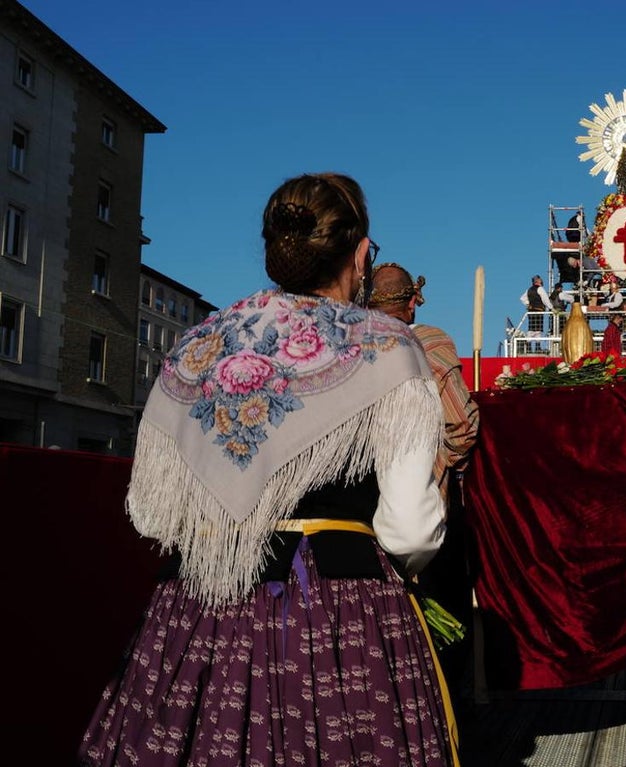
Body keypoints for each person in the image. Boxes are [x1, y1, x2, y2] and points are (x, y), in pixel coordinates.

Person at [78, 173, 459, 766]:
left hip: (201, 609)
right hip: (335, 618)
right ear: (361, 254)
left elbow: (152, 515)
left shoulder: (197, 345)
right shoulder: (387, 347)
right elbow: (410, 528)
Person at [369, 263, 480, 503]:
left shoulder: (349, 345)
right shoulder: (430, 343)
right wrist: (443, 464)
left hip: (354, 500)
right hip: (417, 497)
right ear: (412, 302)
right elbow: (462, 425)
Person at [519, 274, 552, 338]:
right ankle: (537, 343)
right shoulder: (540, 289)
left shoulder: (529, 290)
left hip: (531, 311)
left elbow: (522, 298)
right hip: (539, 311)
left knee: (531, 328)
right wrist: (551, 308)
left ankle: (529, 342)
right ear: (537, 281)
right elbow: (545, 300)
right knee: (538, 329)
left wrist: (528, 304)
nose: (541, 280)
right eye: (540, 279)